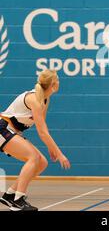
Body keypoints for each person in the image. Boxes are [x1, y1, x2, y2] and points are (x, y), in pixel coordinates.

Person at [0, 69, 71, 211]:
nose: (59, 82)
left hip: (13, 131)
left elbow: (43, 127)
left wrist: (51, 148)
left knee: (42, 162)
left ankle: (9, 195)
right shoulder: (34, 99)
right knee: (33, 157)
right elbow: (42, 133)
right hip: (3, 128)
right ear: (53, 84)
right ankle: (18, 200)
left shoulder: (45, 98)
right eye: (57, 79)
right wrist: (59, 154)